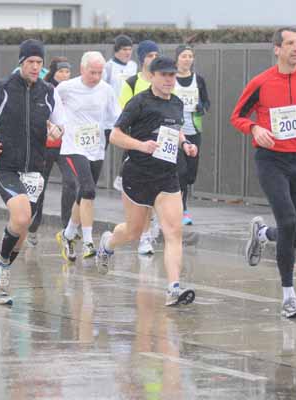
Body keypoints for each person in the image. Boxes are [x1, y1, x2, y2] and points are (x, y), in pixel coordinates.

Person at [230, 27, 296, 318]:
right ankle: (289, 296)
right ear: (277, 49)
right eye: (290, 43)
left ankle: (263, 233)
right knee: (287, 218)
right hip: (271, 159)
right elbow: (236, 116)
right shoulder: (261, 82)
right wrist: (255, 128)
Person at [0, 39, 65, 305]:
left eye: (39, 63)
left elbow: (59, 124)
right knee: (21, 216)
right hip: (4, 164)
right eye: (30, 62)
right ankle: (0, 268)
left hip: (35, 169)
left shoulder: (48, 92)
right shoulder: (0, 88)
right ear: (21, 62)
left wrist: (57, 130)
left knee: (23, 225)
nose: (35, 67)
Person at [97, 56, 199, 306]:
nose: (168, 80)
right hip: (138, 175)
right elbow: (116, 136)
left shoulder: (176, 103)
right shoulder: (139, 102)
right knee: (133, 231)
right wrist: (141, 145)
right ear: (151, 76)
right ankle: (107, 243)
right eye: (163, 75)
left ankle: (173, 288)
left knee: (173, 232)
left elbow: (175, 130)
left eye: (172, 75)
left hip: (166, 176)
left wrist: (185, 143)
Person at [55, 51, 120, 261]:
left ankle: (67, 235)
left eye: (100, 72)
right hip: (73, 146)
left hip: (96, 147)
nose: (96, 77)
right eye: (92, 72)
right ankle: (88, 241)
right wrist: (55, 126)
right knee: (89, 190)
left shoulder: (106, 90)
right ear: (82, 69)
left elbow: (114, 117)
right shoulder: (66, 87)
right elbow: (51, 109)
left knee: (84, 193)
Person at [116, 40, 160, 255]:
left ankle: (149, 232)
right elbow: (123, 116)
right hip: (137, 146)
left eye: (156, 55)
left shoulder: (165, 82)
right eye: (150, 56)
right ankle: (142, 235)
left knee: (155, 192)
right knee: (141, 195)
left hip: (160, 147)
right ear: (142, 59)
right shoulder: (132, 83)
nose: (153, 59)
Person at [26, 57, 74, 247]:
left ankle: (66, 229)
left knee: (72, 182)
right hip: (44, 146)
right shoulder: (44, 90)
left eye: (67, 72)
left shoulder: (73, 90)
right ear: (53, 73)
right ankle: (32, 228)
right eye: (61, 71)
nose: (64, 75)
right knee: (39, 188)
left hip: (65, 146)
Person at [174, 44, 210, 225]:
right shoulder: (170, 79)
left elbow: (207, 103)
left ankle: (178, 201)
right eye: (183, 56)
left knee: (190, 173)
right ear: (177, 59)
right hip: (174, 132)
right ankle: (182, 208)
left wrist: (200, 107)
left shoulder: (199, 80)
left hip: (193, 130)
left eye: (190, 56)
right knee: (180, 170)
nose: (187, 59)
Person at [103, 34, 138, 147]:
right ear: (117, 50)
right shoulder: (108, 66)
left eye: (130, 49)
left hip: (129, 113)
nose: (128, 52)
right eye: (124, 49)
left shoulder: (133, 66)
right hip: (111, 115)